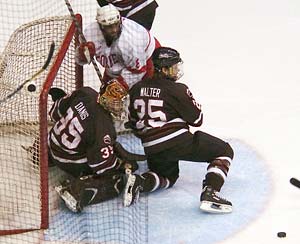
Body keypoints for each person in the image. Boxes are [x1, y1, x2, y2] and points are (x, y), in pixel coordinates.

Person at [123, 47, 234, 213]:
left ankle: (140, 182)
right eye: (174, 67)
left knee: (167, 178)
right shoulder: (177, 89)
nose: (177, 71)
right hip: (178, 142)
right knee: (224, 151)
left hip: (151, 147)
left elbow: (132, 122)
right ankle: (210, 193)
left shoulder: (136, 89)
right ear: (164, 69)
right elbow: (197, 120)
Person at [47, 85, 145, 213]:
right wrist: (120, 165)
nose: (119, 108)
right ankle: (75, 192)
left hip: (51, 143)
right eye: (115, 104)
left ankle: (41, 155)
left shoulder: (85, 93)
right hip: (68, 160)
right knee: (116, 181)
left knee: (91, 138)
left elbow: (54, 113)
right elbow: (102, 166)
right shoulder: (103, 126)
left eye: (120, 103)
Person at [76, 4, 160, 93]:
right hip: (118, 65)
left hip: (147, 60)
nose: (114, 30)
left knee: (137, 97)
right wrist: (82, 56)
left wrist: (118, 88)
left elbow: (138, 72)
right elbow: (80, 61)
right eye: (109, 26)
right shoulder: (90, 34)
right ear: (101, 26)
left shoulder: (131, 40)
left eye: (116, 24)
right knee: (105, 99)